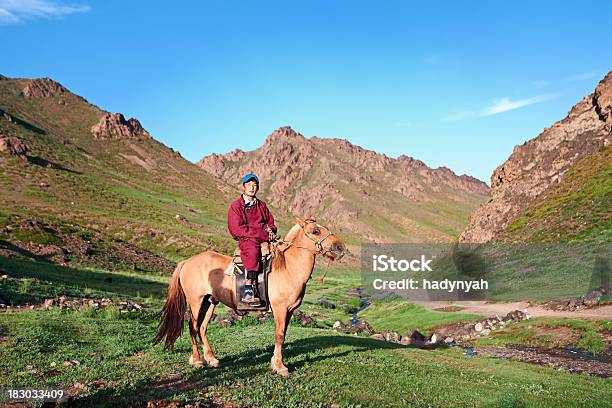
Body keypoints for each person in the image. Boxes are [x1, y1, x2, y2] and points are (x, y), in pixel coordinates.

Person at [227, 173, 277, 303]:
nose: (252, 188)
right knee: (253, 251)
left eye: (254, 185)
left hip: (262, 237)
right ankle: (248, 289)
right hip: (246, 239)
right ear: (243, 187)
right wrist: (260, 232)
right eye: (249, 185)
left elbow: (270, 222)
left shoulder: (262, 205)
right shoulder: (236, 206)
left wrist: (270, 230)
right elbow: (236, 229)